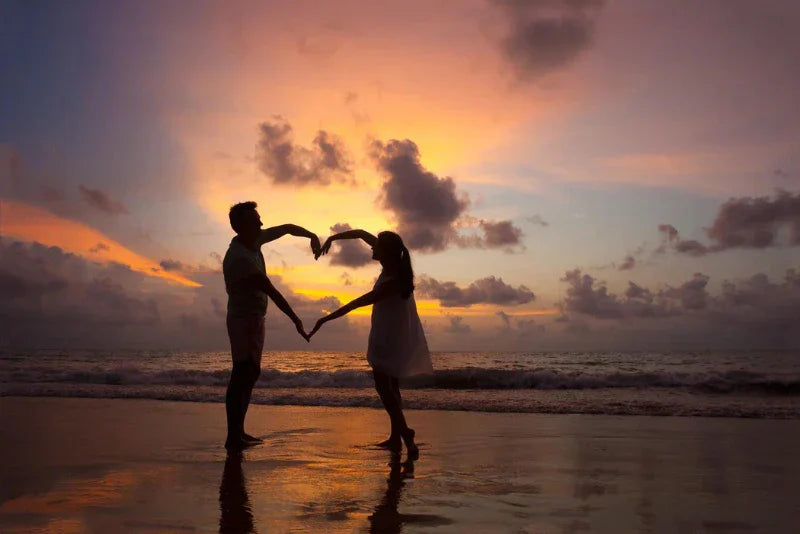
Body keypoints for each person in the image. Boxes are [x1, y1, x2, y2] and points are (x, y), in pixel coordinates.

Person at [310, 229, 433, 456]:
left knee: (384, 388)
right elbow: (359, 233)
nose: (372, 247)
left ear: (386, 252)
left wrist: (325, 319)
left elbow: (358, 302)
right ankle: (396, 438)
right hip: (392, 334)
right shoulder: (393, 269)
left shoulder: (393, 281)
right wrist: (333, 238)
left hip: (387, 339)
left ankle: (405, 433)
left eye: (377, 246)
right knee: (392, 387)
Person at [222, 201, 319, 450]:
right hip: (243, 319)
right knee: (242, 373)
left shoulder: (254, 240)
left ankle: (238, 433)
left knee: (250, 372)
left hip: (255, 317)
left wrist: (311, 235)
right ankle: (233, 437)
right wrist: (296, 320)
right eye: (256, 221)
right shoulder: (240, 258)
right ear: (241, 227)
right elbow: (272, 291)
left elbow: (286, 228)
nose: (262, 224)